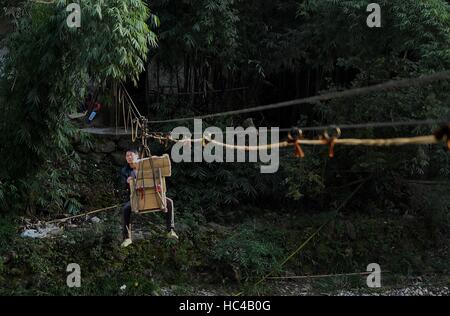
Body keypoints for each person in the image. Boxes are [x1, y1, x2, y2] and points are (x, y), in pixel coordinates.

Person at [120, 148, 178, 248]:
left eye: (131, 155)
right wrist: (127, 181)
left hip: (152, 193)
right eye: (127, 156)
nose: (129, 157)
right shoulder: (125, 170)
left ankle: (170, 230)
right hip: (136, 197)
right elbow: (122, 185)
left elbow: (159, 175)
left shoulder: (146, 166)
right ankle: (127, 237)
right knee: (126, 209)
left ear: (137, 156)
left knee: (169, 202)